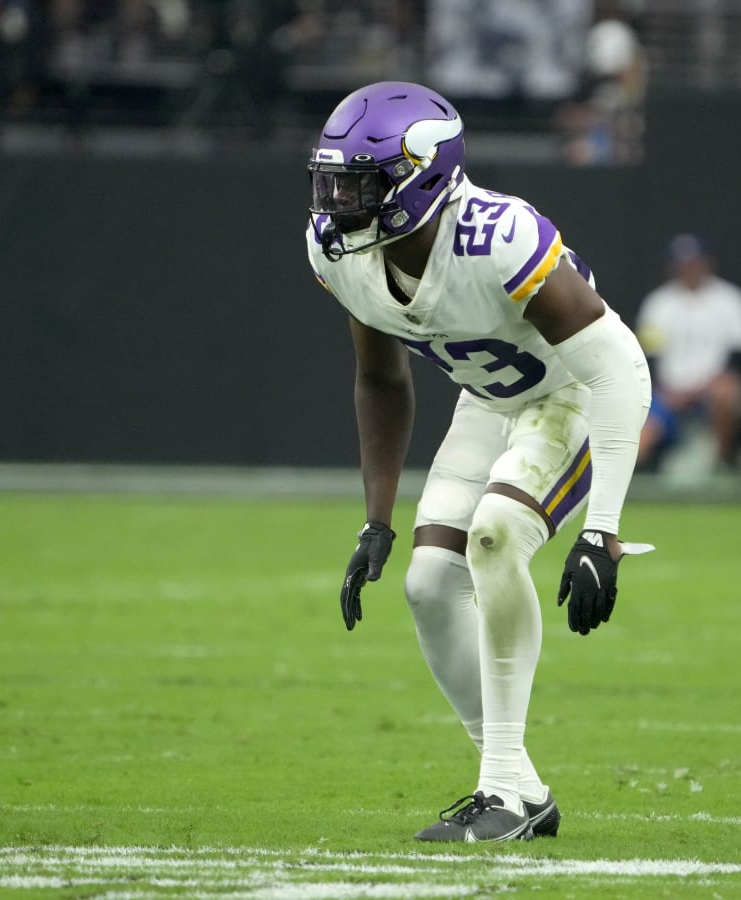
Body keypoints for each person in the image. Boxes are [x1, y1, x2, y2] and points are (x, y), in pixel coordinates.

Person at [304, 81, 652, 843]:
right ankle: (523, 788)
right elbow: (379, 378)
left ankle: (500, 794)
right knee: (429, 586)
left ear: (422, 176)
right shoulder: (340, 254)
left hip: (571, 398)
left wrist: (603, 532)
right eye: (331, 182)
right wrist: (376, 520)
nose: (339, 205)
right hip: (490, 405)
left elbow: (619, 366)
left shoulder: (497, 234)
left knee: (494, 534)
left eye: (360, 185)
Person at [634, 234, 741, 471]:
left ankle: (720, 465)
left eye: (694, 263)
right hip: (670, 392)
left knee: (728, 392)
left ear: (707, 263)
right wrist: (668, 392)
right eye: (683, 264)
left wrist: (702, 388)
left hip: (711, 389)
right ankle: (635, 488)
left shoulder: (729, 299)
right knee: (639, 433)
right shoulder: (659, 303)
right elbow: (648, 357)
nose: (689, 270)